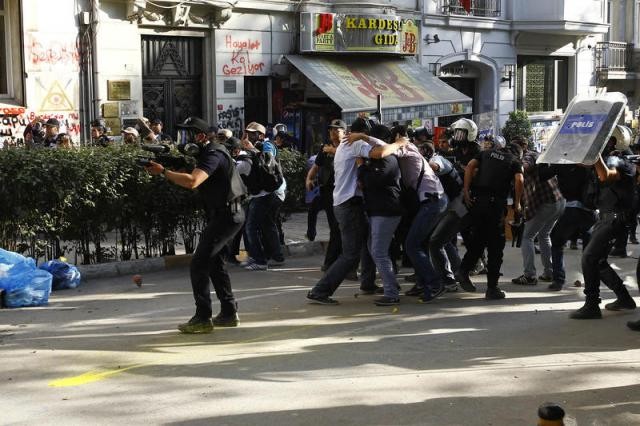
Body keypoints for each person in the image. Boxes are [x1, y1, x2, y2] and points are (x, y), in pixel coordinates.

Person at [144, 116, 244, 333]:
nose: (184, 140)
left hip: (227, 216)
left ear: (199, 136)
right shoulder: (208, 152)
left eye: (187, 135)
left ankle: (202, 317)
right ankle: (228, 312)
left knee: (199, 263)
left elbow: (192, 181)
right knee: (215, 263)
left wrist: (163, 172)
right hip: (225, 214)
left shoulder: (214, 154)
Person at [306, 118, 407, 305]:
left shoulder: (345, 145)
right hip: (349, 205)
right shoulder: (355, 144)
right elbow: (382, 152)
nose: (369, 139)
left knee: (369, 243)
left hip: (346, 203)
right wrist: (399, 144)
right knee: (351, 253)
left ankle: (368, 282)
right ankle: (321, 290)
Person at [570, 128, 637, 320]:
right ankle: (624, 298)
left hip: (615, 218)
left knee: (589, 258)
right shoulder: (608, 159)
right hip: (606, 217)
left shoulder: (619, 160)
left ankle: (592, 304)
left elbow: (606, 176)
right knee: (597, 261)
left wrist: (595, 153)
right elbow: (583, 163)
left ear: (615, 142)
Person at [455, 142, 524, 300]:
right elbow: (519, 180)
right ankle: (492, 288)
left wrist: (466, 190)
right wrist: (517, 203)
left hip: (477, 202)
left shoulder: (486, 153)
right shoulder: (514, 161)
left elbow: (470, 166)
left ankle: (463, 270)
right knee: (495, 247)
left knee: (479, 240)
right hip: (494, 206)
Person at [357, 124, 404, 306]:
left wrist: (361, 168)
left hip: (386, 211)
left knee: (378, 251)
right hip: (378, 210)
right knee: (373, 247)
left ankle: (391, 293)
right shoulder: (379, 159)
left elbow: (371, 181)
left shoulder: (387, 159)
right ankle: (391, 284)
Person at [511, 137, 565, 286]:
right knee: (544, 235)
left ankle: (529, 275)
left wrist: (510, 166)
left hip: (547, 203)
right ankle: (549, 272)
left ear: (523, 146)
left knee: (526, 237)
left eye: (515, 148)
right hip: (558, 201)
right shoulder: (537, 154)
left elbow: (524, 167)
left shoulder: (527, 156)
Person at [240, 121, 286, 270]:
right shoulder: (254, 147)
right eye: (248, 133)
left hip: (268, 193)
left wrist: (251, 149)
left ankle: (259, 261)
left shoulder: (267, 145)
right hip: (263, 193)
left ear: (261, 135)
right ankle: (277, 256)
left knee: (251, 227)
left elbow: (267, 161)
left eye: (253, 134)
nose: (250, 136)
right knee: (267, 225)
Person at [305, 119, 346, 271]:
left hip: (343, 192)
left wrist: (334, 151)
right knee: (333, 225)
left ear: (344, 132)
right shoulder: (325, 148)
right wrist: (309, 178)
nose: (333, 133)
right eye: (331, 130)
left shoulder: (348, 146)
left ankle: (332, 262)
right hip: (328, 191)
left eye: (337, 130)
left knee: (338, 227)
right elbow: (316, 167)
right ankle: (332, 260)